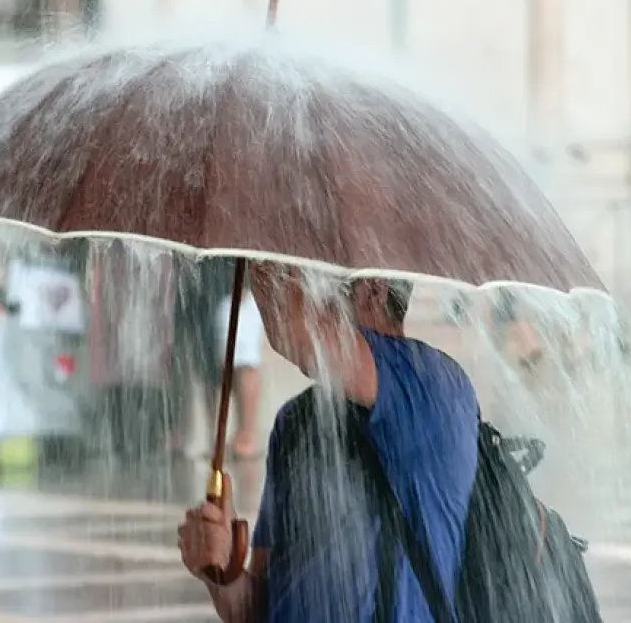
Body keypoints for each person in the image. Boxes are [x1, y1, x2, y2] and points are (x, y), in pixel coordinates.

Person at [178, 266, 481, 622]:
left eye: (319, 280)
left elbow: (294, 330)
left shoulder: (434, 384)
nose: (310, 293)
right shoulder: (297, 420)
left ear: (374, 288)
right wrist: (224, 573)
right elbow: (258, 610)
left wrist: (256, 247)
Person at [170, 257, 264, 459]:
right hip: (198, 285)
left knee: (243, 359)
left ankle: (245, 436)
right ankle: (216, 438)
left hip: (236, 280)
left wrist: (248, 280)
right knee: (206, 362)